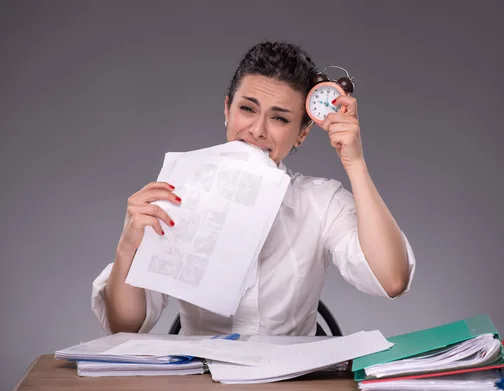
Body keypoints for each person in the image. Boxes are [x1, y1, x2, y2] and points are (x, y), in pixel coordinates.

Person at [92, 41, 416, 336]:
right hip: (203, 388)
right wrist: (127, 248)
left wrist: (354, 163)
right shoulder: (174, 195)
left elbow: (391, 279)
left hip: (292, 388)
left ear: (302, 133)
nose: (257, 130)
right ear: (227, 110)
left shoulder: (320, 201)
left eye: (280, 118)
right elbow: (125, 325)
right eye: (247, 109)